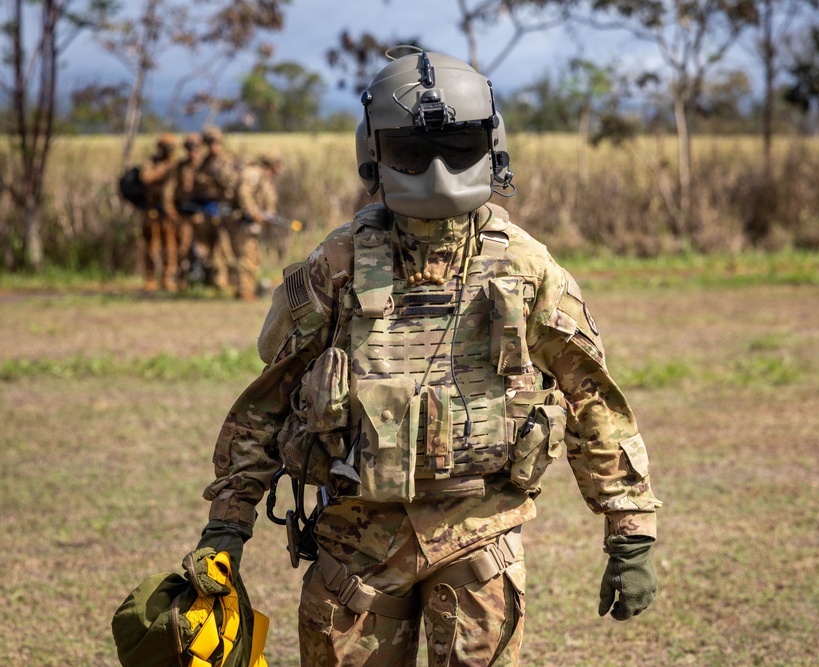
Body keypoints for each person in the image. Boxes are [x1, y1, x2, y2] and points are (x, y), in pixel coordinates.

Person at [192, 48, 660, 666]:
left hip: (479, 538)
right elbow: (268, 400)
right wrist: (227, 526)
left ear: (490, 147)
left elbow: (591, 398)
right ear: (375, 154)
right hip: (355, 543)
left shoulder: (524, 267)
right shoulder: (337, 266)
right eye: (413, 151)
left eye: (457, 146)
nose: (436, 169)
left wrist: (630, 533)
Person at [191, 126, 241, 293]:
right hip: (209, 209)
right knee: (210, 247)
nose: (212, 146)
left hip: (225, 209)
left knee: (225, 247)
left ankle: (228, 281)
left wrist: (212, 179)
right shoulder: (205, 161)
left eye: (215, 142)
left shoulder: (226, 160)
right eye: (209, 143)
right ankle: (215, 281)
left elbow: (231, 183)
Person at [230, 152, 284, 300]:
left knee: (251, 255)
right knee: (246, 256)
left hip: (252, 222)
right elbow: (244, 194)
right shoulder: (254, 173)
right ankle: (244, 291)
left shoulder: (264, 178)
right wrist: (254, 213)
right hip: (244, 221)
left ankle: (246, 289)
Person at [163, 133, 206, 290]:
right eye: (189, 148)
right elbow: (168, 191)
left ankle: (211, 281)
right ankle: (181, 281)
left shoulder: (206, 166)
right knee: (183, 248)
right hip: (184, 215)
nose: (192, 151)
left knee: (206, 249)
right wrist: (172, 212)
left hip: (203, 215)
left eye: (195, 147)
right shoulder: (179, 168)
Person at [138, 133, 180, 292]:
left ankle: (168, 278)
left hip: (170, 211)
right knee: (151, 246)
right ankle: (150, 278)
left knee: (170, 247)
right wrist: (164, 170)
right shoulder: (152, 162)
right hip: (153, 210)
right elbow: (145, 178)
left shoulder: (176, 164)